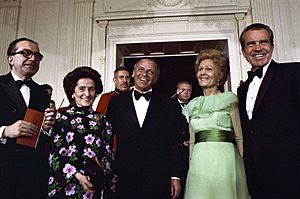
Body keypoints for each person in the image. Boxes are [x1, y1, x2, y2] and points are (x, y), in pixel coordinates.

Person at [237, 23, 300, 198]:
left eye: (263, 42)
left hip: (291, 174)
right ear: (243, 51)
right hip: (256, 177)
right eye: (251, 44)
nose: (258, 48)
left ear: (272, 46)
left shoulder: (294, 72)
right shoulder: (242, 90)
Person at [107, 58, 182, 199]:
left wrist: (175, 175)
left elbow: (173, 141)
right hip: (124, 174)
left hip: (158, 175)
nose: (145, 74)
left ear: (156, 78)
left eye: (150, 72)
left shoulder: (168, 104)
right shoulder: (115, 102)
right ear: (134, 73)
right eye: (141, 69)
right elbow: (107, 138)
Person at [183, 49, 248, 199]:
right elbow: (192, 141)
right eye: (200, 69)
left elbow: (239, 137)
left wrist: (242, 168)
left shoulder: (230, 99)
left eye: (209, 69)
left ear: (219, 75)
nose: (203, 72)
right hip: (199, 164)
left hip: (225, 161)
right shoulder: (193, 104)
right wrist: (191, 165)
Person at [47, 66, 117, 198]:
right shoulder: (61, 118)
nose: (87, 93)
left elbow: (108, 155)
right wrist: (77, 175)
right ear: (72, 92)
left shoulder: (103, 120)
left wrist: (100, 175)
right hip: (66, 186)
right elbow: (55, 155)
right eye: (82, 89)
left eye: (91, 89)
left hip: (92, 187)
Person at [0, 37, 56, 199]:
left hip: (34, 175)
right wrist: (5, 131)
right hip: (4, 173)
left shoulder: (41, 93)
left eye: (37, 56)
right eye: (26, 53)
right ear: (10, 59)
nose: (33, 58)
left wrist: (46, 128)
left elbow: (42, 138)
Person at [172, 81, 192, 199]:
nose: (186, 92)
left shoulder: (195, 105)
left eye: (188, 90)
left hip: (193, 149)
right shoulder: (170, 105)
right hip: (177, 150)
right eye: (183, 90)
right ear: (177, 91)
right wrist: (181, 142)